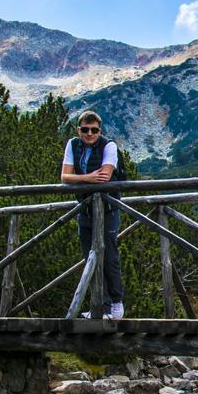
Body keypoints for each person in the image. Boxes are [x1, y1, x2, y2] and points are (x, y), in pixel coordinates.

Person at [61, 110, 125, 319]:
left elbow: (104, 177)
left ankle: (116, 304)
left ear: (100, 130)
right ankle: (101, 306)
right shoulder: (72, 145)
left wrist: (79, 178)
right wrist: (89, 177)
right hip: (86, 209)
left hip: (108, 209)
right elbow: (64, 177)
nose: (90, 134)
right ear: (78, 130)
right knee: (89, 256)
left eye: (94, 130)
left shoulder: (109, 146)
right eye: (85, 130)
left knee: (109, 256)